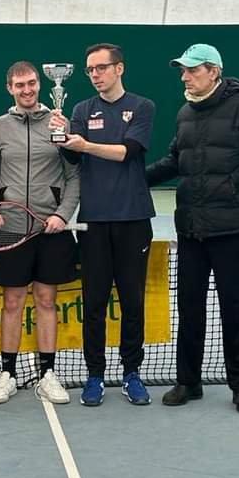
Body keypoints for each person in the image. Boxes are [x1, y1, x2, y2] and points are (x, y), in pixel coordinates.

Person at [146, 42, 239, 416]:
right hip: (191, 230)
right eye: (182, 71)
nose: (185, 77)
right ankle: (188, 382)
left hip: (233, 233)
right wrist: (133, 180)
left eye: (192, 70)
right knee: (189, 309)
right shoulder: (185, 113)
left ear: (213, 71)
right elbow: (175, 160)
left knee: (234, 310)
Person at [50, 42, 155, 407]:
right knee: (94, 303)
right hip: (93, 222)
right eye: (90, 70)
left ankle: (131, 374)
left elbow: (128, 152)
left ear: (118, 68)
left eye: (101, 68)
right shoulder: (81, 109)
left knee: (132, 302)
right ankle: (94, 375)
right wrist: (62, 137)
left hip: (133, 219)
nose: (94, 75)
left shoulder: (141, 107)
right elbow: (72, 158)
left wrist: (85, 145)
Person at [0, 61, 80, 405]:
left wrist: (62, 214)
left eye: (31, 83)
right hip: (11, 230)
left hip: (51, 230)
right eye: (19, 85)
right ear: (9, 88)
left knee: (46, 301)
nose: (26, 90)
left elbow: (73, 177)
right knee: (12, 302)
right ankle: (7, 374)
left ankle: (48, 375)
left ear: (40, 85)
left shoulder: (60, 123)